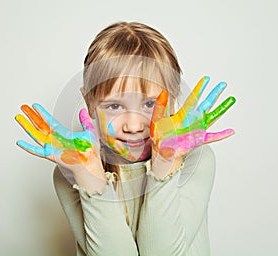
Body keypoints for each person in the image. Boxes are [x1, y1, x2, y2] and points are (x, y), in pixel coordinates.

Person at [15, 21, 236, 256]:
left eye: (150, 104)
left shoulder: (196, 160)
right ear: (89, 104)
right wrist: (90, 177)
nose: (133, 126)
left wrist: (164, 165)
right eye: (114, 106)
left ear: (173, 100)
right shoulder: (72, 170)